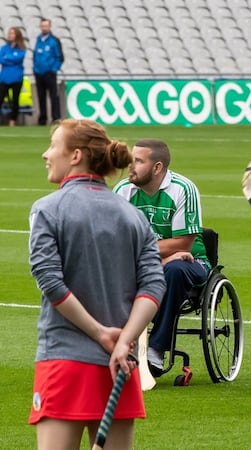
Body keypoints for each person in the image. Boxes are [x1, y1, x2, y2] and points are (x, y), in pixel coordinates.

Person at [28, 119, 165, 449]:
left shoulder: (47, 209)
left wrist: (100, 334)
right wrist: (123, 341)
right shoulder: (133, 215)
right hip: (118, 364)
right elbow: (154, 285)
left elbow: (49, 280)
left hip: (65, 362)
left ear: (76, 155)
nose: (46, 154)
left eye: (53, 146)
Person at [114, 139, 210, 371]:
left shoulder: (182, 189)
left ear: (157, 167)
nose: (130, 165)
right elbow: (116, 242)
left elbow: (183, 243)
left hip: (191, 261)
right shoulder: (122, 190)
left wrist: (150, 257)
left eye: (138, 161)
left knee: (174, 270)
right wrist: (157, 258)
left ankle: (156, 347)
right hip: (145, 262)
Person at [33, 18, 63, 126]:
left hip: (49, 73)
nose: (44, 28)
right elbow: (35, 55)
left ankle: (56, 119)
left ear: (49, 27)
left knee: (53, 96)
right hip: (39, 73)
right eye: (42, 26)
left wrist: (53, 69)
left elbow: (59, 57)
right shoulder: (38, 39)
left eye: (46, 26)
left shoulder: (54, 40)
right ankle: (42, 119)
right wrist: (35, 69)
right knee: (41, 97)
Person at [0, 27, 26, 126]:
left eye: (12, 33)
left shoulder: (21, 48)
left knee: (15, 100)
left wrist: (7, 58)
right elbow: (1, 59)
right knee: (0, 98)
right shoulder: (4, 48)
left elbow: (18, 58)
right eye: (9, 33)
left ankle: (12, 120)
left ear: (17, 35)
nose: (10, 35)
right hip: (4, 77)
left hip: (16, 77)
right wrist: (11, 59)